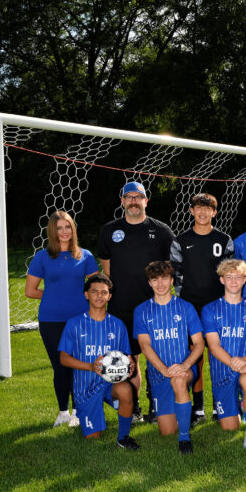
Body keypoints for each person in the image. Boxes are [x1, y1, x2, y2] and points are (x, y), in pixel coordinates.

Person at [97, 181, 175, 422]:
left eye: (137, 197)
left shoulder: (161, 231)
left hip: (155, 307)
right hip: (122, 307)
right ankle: (134, 408)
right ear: (122, 201)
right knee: (128, 360)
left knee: (158, 357)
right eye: (129, 197)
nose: (133, 201)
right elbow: (107, 270)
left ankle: (157, 406)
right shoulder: (109, 231)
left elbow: (170, 269)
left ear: (145, 201)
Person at [25, 210, 99, 428]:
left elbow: (97, 288)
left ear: (73, 229)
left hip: (80, 320)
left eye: (68, 227)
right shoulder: (42, 257)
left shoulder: (85, 255)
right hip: (51, 320)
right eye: (59, 228)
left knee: (78, 365)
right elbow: (30, 291)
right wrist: (54, 296)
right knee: (60, 366)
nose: (64, 231)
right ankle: (63, 412)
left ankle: (78, 412)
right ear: (52, 231)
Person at [170, 192, 235, 424]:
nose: (203, 212)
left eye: (207, 208)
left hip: (218, 308)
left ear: (214, 212)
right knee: (195, 356)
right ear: (191, 211)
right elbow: (176, 274)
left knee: (219, 357)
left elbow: (230, 274)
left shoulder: (223, 239)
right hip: (191, 307)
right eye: (198, 207)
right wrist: (183, 303)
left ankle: (220, 405)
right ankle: (197, 408)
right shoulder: (180, 240)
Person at [58, 273, 139, 449]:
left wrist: (130, 365)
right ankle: (88, 414)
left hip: (109, 383)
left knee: (126, 390)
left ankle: (123, 438)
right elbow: (63, 358)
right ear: (86, 294)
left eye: (104, 292)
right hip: (85, 388)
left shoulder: (118, 325)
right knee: (93, 438)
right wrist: (90, 366)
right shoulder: (74, 324)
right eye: (94, 291)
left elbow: (126, 356)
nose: (99, 296)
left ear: (109, 296)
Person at [133, 261, 204, 454]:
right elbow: (145, 345)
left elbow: (199, 344)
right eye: (155, 279)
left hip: (184, 368)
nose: (160, 284)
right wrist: (164, 369)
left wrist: (185, 365)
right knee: (167, 431)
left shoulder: (186, 307)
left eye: (164, 278)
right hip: (159, 373)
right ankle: (182, 409)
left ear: (172, 280)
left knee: (179, 381)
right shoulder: (141, 311)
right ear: (149, 283)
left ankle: (185, 439)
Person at [201, 259, 246, 450]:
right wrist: (235, 363)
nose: (234, 281)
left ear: (245, 280)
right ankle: (241, 406)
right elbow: (213, 346)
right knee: (229, 427)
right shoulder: (210, 309)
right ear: (222, 280)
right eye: (229, 277)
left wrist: (245, 360)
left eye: (238, 277)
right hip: (222, 370)